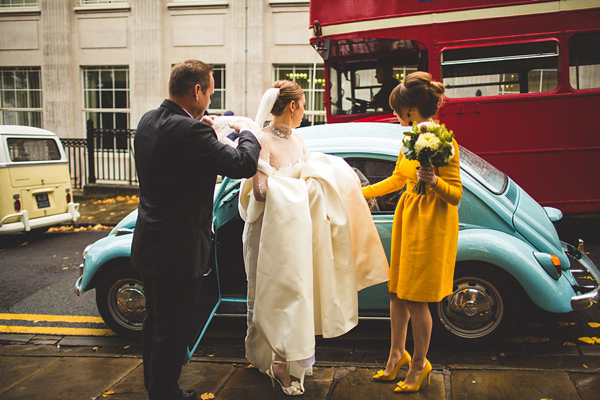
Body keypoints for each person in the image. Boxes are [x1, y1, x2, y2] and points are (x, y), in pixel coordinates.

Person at [239, 80, 388, 396]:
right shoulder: (261, 141)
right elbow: (262, 191)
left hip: (294, 230)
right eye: (304, 105)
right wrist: (308, 192)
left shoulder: (298, 139)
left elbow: (308, 175)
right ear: (292, 106)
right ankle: (269, 359)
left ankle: (288, 356)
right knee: (268, 292)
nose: (305, 112)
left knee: (295, 292)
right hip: (268, 233)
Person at [130, 60, 261, 400]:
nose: (209, 101)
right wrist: (248, 130)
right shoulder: (192, 133)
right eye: (209, 93)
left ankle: (156, 387)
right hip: (179, 248)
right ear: (197, 90)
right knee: (174, 328)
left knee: (155, 322)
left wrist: (202, 127)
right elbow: (243, 164)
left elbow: (176, 151)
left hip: (149, 242)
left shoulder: (148, 121)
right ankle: (166, 392)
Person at [362, 71, 462, 394]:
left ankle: (420, 363)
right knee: (396, 292)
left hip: (432, 224)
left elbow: (456, 195)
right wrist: (358, 193)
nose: (394, 116)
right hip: (408, 219)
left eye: (396, 110)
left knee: (416, 299)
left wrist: (434, 182)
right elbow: (396, 179)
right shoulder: (409, 140)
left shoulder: (445, 143)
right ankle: (396, 355)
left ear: (408, 110)